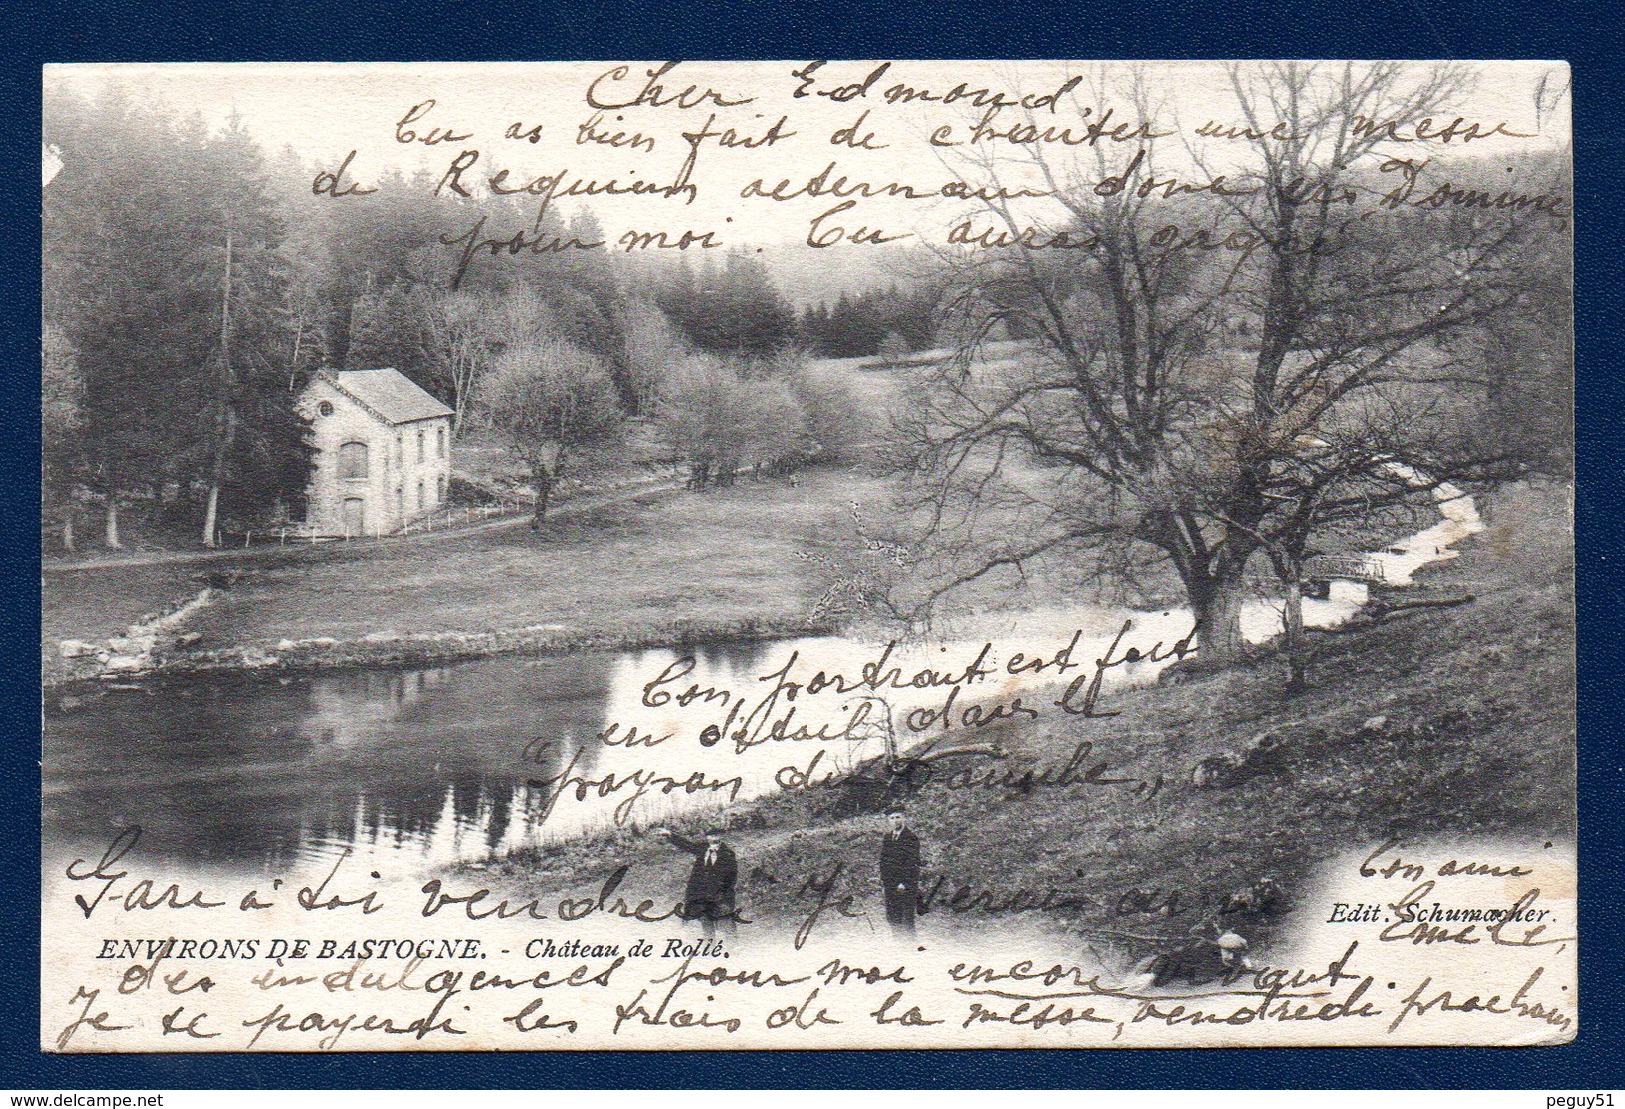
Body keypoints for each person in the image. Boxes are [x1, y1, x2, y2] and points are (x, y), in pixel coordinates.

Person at [655, 825, 738, 936]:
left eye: (716, 836)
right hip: (702, 896)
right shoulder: (702, 849)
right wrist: (670, 834)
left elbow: (731, 877)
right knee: (707, 927)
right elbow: (686, 845)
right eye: (711, 836)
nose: (713, 838)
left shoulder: (728, 854)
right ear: (707, 838)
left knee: (726, 925)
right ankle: (709, 949)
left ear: (721, 837)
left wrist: (721, 893)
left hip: (720, 897)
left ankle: (735, 949)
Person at [878, 806, 921, 936]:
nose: (895, 821)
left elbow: (913, 863)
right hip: (890, 885)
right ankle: (899, 947)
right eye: (892, 818)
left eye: (898, 817)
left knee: (906, 920)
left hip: (905, 886)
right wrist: (884, 883)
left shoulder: (911, 838)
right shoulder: (887, 838)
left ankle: (910, 947)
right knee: (892, 918)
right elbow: (884, 862)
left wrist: (904, 882)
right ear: (888, 821)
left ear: (904, 818)